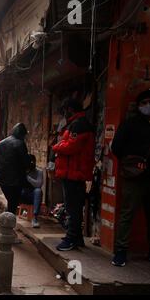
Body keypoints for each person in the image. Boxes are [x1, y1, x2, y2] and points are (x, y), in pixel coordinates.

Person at [111, 88, 150, 267]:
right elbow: (116, 147)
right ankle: (120, 251)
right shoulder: (130, 124)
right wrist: (132, 163)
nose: (148, 106)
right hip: (133, 177)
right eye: (144, 103)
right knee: (127, 213)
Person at [52, 98, 95, 251]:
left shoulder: (80, 125)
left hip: (75, 174)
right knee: (73, 206)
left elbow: (71, 147)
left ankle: (71, 238)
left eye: (65, 110)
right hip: (72, 173)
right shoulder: (75, 124)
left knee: (73, 208)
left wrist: (56, 147)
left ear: (70, 109)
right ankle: (76, 238)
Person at [0, 123, 30, 214]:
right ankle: (9, 222)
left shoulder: (1, 143)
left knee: (11, 201)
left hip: (1, 178)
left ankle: (7, 219)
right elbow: (25, 162)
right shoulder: (20, 144)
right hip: (15, 180)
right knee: (13, 202)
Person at [21, 154, 43, 228]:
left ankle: (35, 217)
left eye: (32, 162)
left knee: (38, 191)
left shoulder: (39, 172)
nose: (31, 164)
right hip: (22, 194)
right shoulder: (22, 170)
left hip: (33, 196)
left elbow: (38, 184)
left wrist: (27, 177)